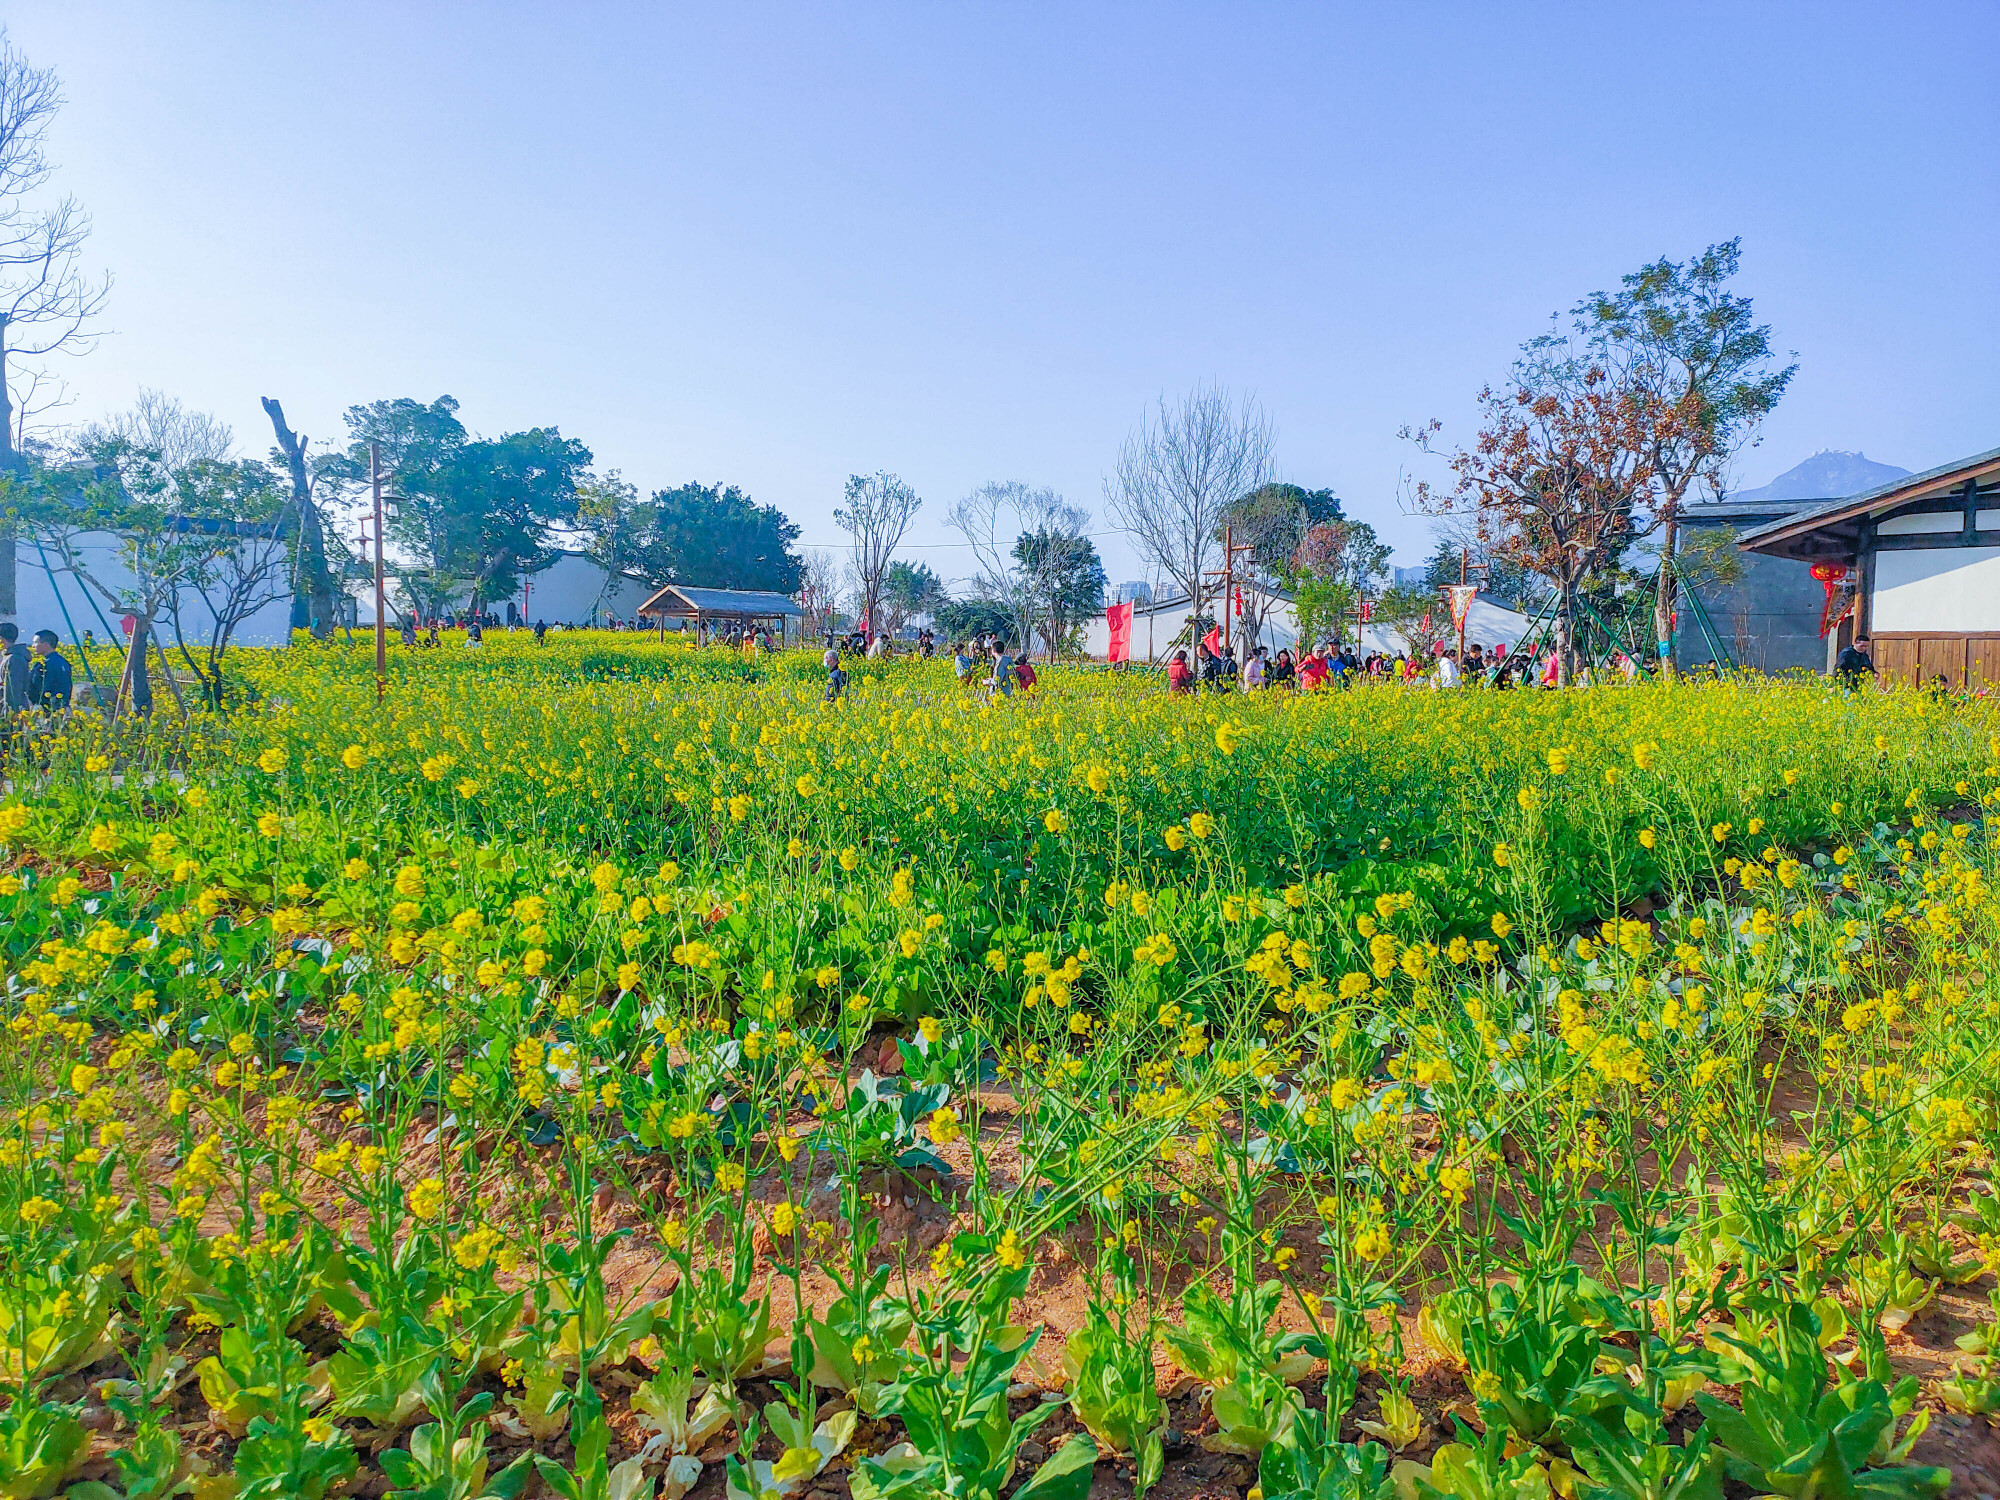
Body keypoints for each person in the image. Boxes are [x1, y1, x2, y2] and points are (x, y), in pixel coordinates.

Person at [29, 630, 73, 711]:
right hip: (62, 707)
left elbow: (38, 687)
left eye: (35, 643)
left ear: (46, 645)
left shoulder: (45, 665)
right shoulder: (64, 662)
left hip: (47, 708)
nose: (33, 646)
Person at [1, 623, 29, 713]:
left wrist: (10, 713)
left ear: (2, 639)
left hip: (13, 711)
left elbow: (13, 690)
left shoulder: (14, 659)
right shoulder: (11, 656)